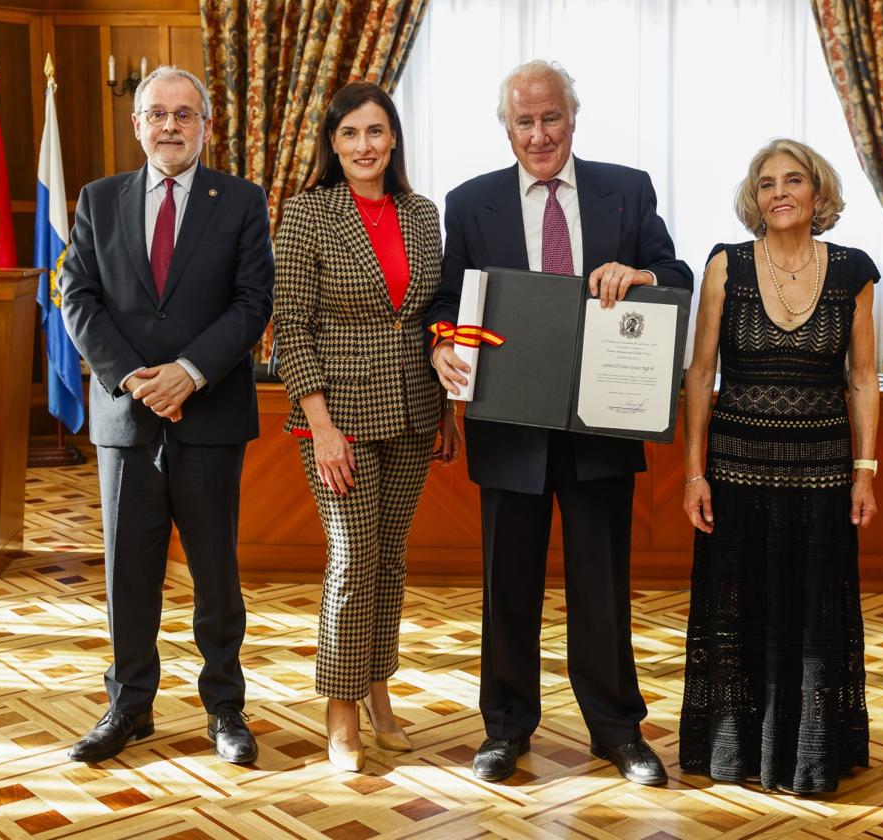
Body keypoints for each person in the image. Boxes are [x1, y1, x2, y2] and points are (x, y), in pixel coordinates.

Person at [428, 60, 692, 786]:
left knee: (602, 586)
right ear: (506, 127)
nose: (539, 134)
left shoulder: (626, 191)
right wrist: (444, 341)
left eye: (551, 118)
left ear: (572, 119)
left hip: (601, 425)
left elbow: (676, 275)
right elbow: (448, 301)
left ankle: (617, 731)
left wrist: (641, 277)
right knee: (506, 586)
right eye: (525, 121)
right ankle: (506, 730)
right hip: (509, 426)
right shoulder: (470, 201)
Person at [61, 66, 274, 765]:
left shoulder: (241, 200)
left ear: (206, 126)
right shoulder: (98, 199)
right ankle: (128, 705)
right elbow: (77, 296)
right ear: (138, 125)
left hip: (209, 414)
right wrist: (132, 377)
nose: (171, 125)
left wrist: (187, 373)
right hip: (127, 418)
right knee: (129, 571)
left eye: (185, 114)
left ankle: (225, 709)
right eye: (157, 113)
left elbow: (251, 302)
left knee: (216, 572)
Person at [680, 138, 878, 794]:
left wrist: (865, 470)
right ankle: (736, 751)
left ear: (818, 193)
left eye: (794, 180)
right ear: (754, 198)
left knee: (813, 618)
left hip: (821, 476)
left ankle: (810, 757)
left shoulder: (854, 271)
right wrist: (694, 472)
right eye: (766, 184)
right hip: (736, 472)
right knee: (740, 615)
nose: (780, 192)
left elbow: (862, 379)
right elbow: (701, 372)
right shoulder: (725, 266)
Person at [273, 81, 457, 773]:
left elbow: (435, 314)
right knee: (350, 561)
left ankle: (379, 689)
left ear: (394, 139)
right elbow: (290, 326)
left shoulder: (421, 213)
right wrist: (319, 424)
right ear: (332, 141)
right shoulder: (306, 214)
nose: (363, 146)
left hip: (413, 410)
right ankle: (341, 711)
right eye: (350, 133)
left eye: (375, 131)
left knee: (388, 561)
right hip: (337, 418)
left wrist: (447, 411)